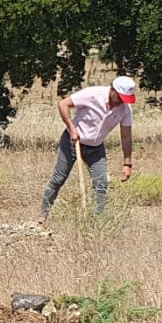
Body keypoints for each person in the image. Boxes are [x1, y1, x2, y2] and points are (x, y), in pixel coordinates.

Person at [39, 76, 136, 222]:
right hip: (72, 142)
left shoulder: (125, 109)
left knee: (101, 183)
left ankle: (97, 222)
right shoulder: (92, 94)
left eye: (125, 99)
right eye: (121, 97)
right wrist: (72, 128)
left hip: (96, 148)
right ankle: (43, 215)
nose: (122, 101)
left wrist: (127, 163)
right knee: (59, 178)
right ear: (113, 90)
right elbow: (63, 104)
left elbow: (126, 137)